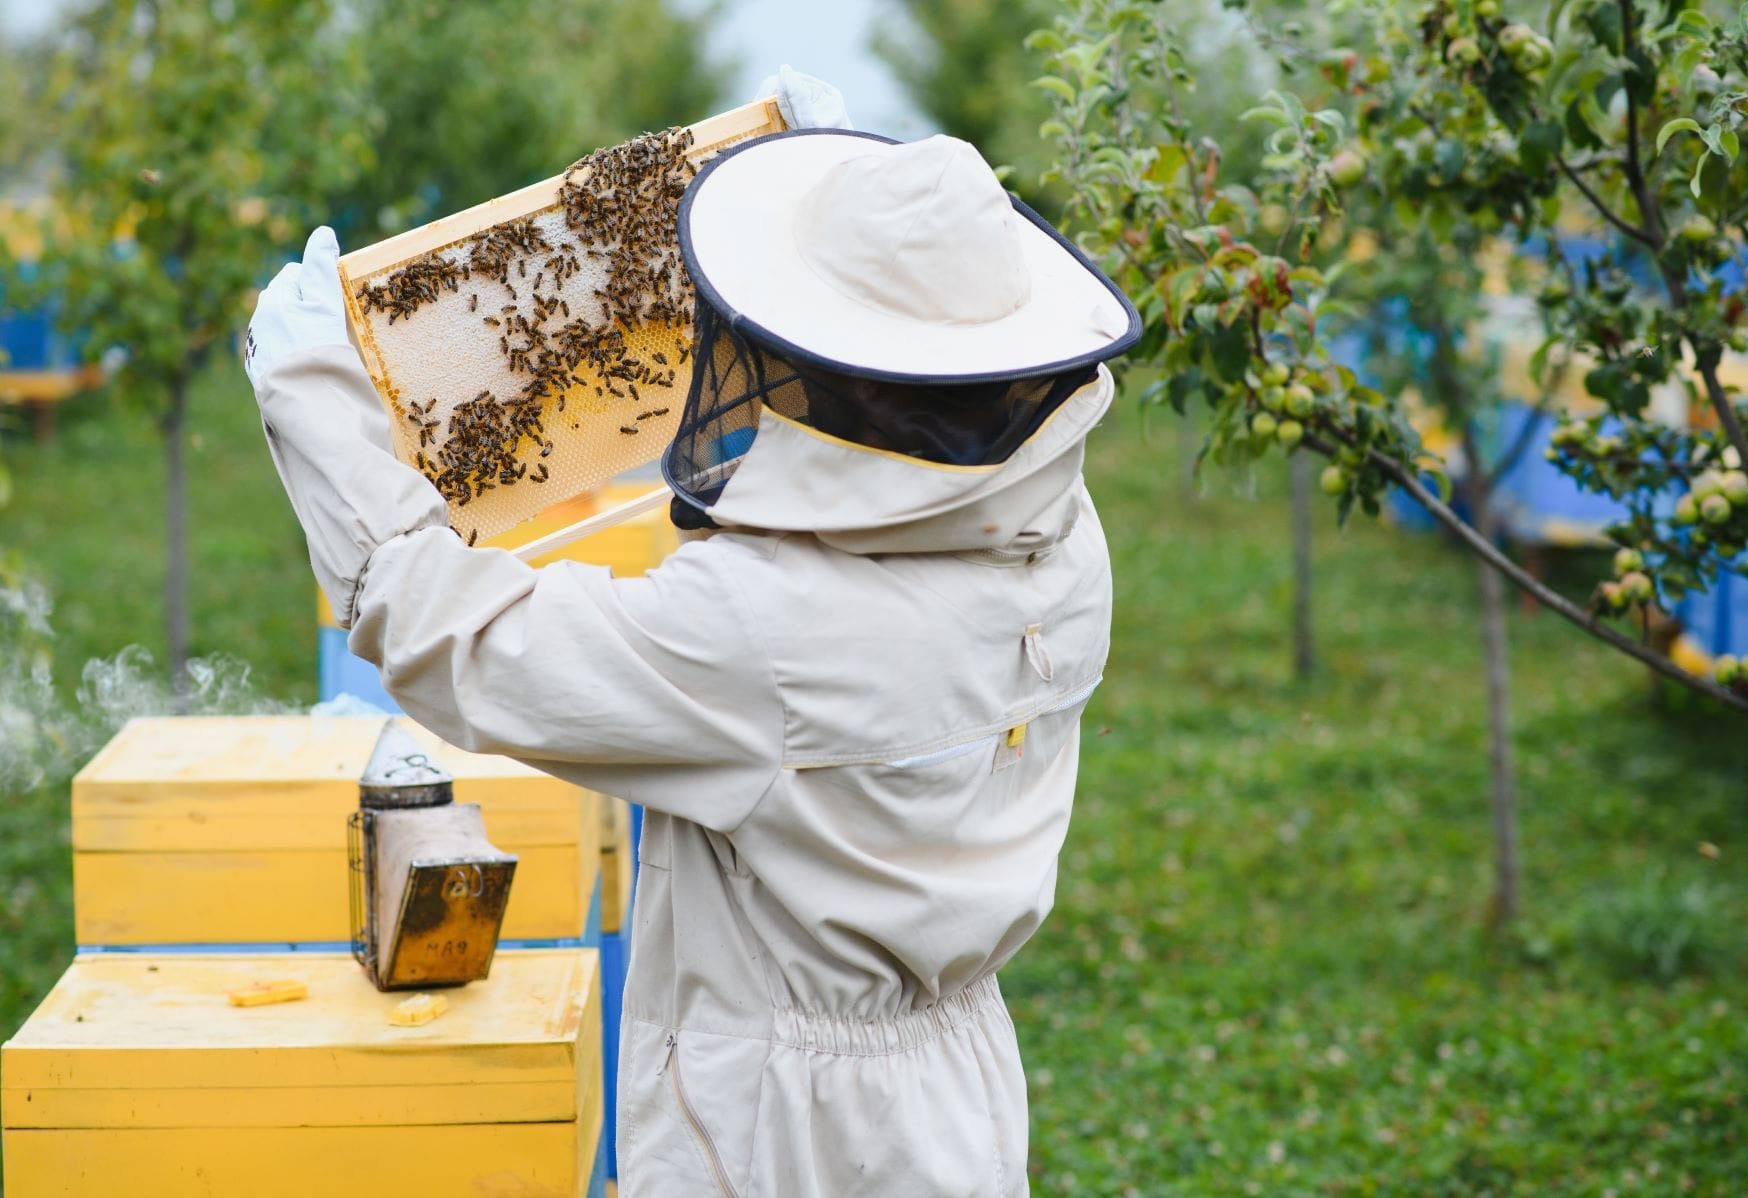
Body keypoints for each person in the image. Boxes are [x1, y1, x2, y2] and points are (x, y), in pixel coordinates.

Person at [246, 69, 1139, 1197]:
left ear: (854, 384)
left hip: (782, 1136)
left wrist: (315, 397)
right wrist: (866, 215)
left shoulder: (764, 636)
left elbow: (441, 625)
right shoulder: (1064, 547)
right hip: (958, 1097)